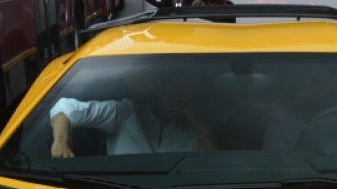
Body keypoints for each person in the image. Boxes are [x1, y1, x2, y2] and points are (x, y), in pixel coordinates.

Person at [50, 66, 216, 157]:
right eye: (177, 96)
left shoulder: (198, 133)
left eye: (189, 98)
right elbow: (66, 107)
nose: (182, 104)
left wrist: (201, 128)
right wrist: (60, 141)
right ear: (159, 89)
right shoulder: (126, 113)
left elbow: (217, 168)